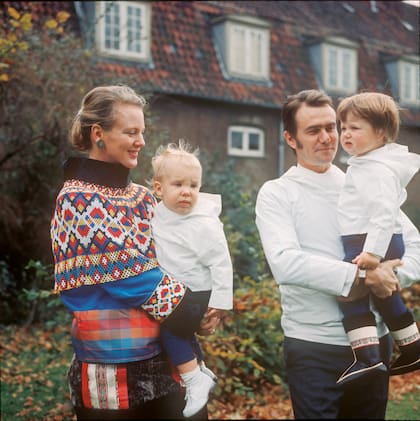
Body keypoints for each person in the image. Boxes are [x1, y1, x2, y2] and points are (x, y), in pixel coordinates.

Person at [50, 85, 219, 420]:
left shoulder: (142, 196)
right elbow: (131, 274)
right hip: (113, 370)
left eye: (142, 132)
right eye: (130, 132)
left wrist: (210, 294)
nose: (141, 141)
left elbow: (174, 256)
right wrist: (192, 310)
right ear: (98, 134)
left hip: (169, 358)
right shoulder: (76, 200)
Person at [255, 89, 420, 419]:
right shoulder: (277, 193)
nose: (328, 137)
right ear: (291, 138)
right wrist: (362, 276)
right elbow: (286, 263)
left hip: (377, 339)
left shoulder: (364, 180)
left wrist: (392, 276)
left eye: (332, 126)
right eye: (313, 130)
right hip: (313, 346)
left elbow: (413, 242)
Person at [335, 92, 420, 385]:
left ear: (380, 133)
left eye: (355, 128)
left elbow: (384, 213)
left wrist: (372, 253)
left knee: (350, 293)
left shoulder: (376, 169)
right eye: (343, 127)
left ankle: (368, 358)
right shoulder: (367, 163)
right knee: (385, 296)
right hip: (373, 239)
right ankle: (412, 347)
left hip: (369, 241)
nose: (345, 133)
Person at [150, 140, 233, 418]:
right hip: (175, 291)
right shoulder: (158, 212)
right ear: (159, 188)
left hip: (196, 292)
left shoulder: (203, 222)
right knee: (182, 331)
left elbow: (221, 262)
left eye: (194, 185)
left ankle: (194, 379)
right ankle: (198, 366)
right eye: (178, 184)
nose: (187, 192)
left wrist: (221, 304)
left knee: (169, 331)